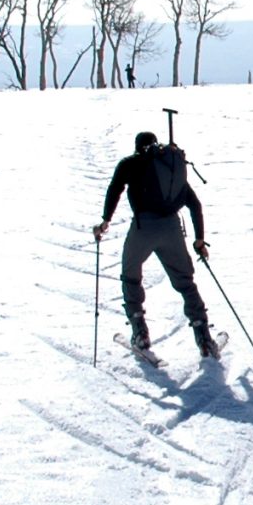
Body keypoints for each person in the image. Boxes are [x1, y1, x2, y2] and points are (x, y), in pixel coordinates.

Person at [96, 130, 217, 356]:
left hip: (143, 229)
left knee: (130, 275)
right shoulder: (172, 170)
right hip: (172, 229)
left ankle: (140, 332)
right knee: (185, 282)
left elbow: (115, 189)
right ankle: (204, 337)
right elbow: (195, 204)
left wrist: (105, 221)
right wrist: (199, 240)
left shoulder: (130, 163)